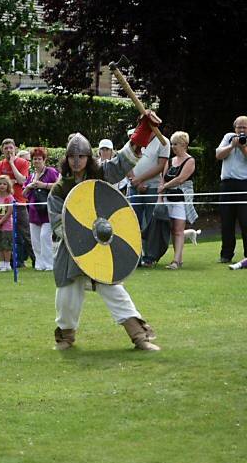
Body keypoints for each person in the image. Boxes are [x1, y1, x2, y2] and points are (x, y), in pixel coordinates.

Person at [47, 131, 160, 352]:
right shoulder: (59, 189)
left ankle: (139, 337)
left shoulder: (100, 175)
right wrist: (80, 238)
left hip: (102, 249)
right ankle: (65, 338)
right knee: (67, 297)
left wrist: (142, 133)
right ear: (66, 159)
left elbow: (122, 161)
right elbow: (58, 224)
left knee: (115, 292)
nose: (77, 161)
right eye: (72, 156)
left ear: (89, 158)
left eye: (81, 156)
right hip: (71, 252)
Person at [127, 111, 170, 267]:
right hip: (134, 188)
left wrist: (141, 179)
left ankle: (149, 257)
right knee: (133, 223)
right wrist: (135, 181)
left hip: (151, 188)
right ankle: (134, 257)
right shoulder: (135, 139)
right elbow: (125, 160)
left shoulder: (163, 142)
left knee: (151, 223)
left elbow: (160, 165)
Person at [158, 131, 198, 269]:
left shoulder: (190, 160)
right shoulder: (169, 161)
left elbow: (181, 178)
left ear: (184, 145)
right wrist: (160, 198)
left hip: (181, 199)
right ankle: (178, 259)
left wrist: (165, 186)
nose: (173, 147)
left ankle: (175, 261)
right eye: (172, 144)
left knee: (179, 230)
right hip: (169, 198)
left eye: (176, 144)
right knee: (172, 229)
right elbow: (162, 179)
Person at [0, 138, 35, 268]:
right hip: (3, 204)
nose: (8, 150)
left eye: (10, 148)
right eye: (5, 148)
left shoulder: (22, 162)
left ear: (15, 149)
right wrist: (12, 181)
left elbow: (22, 180)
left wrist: (12, 164)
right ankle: (12, 262)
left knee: (26, 233)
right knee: (5, 233)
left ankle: (36, 260)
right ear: (2, 150)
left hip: (20, 202)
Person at [22, 147, 60, 271]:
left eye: (39, 159)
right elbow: (24, 194)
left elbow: (58, 187)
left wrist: (43, 185)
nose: (37, 161)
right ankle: (39, 263)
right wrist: (29, 186)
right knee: (35, 240)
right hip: (33, 211)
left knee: (45, 236)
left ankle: (50, 264)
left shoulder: (51, 172)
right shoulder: (31, 175)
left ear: (44, 160)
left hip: (47, 211)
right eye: (34, 159)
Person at [216, 115, 247, 263]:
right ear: (235, 128)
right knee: (226, 221)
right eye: (239, 127)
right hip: (227, 184)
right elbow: (218, 155)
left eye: (244, 127)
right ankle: (226, 254)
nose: (241, 130)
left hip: (244, 184)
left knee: (245, 220)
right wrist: (232, 146)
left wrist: (242, 148)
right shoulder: (229, 137)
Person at [0, 175, 14, 272]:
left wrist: (0, 222)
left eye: (4, 184)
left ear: (8, 186)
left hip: (7, 225)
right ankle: (1, 264)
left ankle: (7, 264)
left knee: (6, 245)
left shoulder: (9, 197)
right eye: (0, 184)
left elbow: (9, 212)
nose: (2, 186)